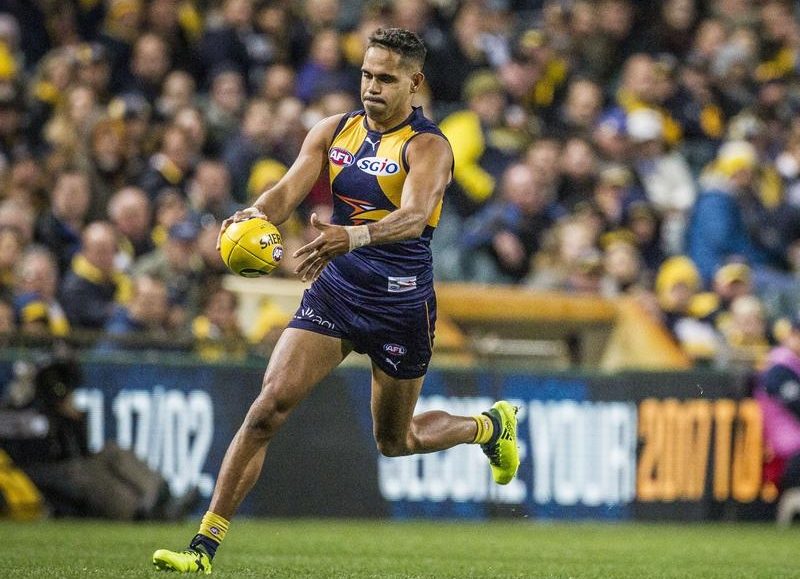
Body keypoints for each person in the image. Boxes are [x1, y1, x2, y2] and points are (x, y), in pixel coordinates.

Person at [152, 28, 520, 574]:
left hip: (400, 306)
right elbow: (287, 190)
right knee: (267, 409)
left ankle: (488, 427)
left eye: (386, 78)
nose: (371, 87)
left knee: (396, 440)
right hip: (338, 291)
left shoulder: (428, 146)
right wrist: (255, 214)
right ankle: (202, 548)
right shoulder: (333, 130)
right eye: (367, 75)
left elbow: (415, 217)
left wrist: (352, 235)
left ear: (414, 83)